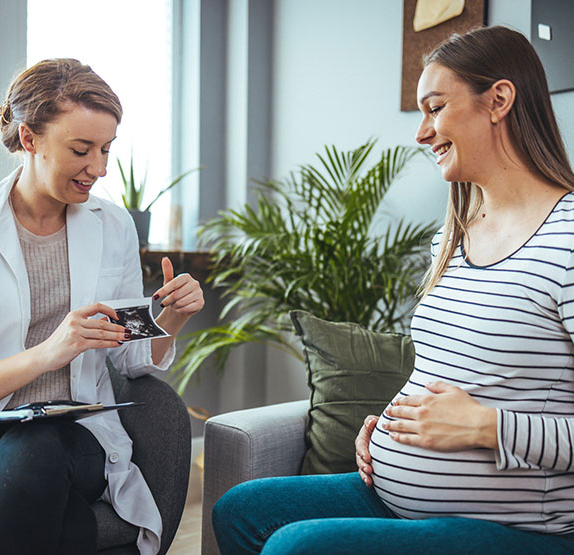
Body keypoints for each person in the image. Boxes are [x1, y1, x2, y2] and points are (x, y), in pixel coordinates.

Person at [211, 25, 574, 554]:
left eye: (435, 107)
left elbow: (480, 413)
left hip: (523, 529)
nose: (421, 133)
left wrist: (488, 428)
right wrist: (390, 428)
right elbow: (451, 373)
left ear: (498, 100)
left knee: (298, 547)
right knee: (239, 510)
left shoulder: (568, 237)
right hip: (400, 495)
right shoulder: (456, 231)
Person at [0, 58, 204, 555]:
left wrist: (170, 320)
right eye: (81, 149)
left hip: (80, 435)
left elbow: (130, 358)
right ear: (29, 139)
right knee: (43, 499)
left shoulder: (112, 225)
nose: (100, 168)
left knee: (35, 449)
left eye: (107, 149)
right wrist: (51, 352)